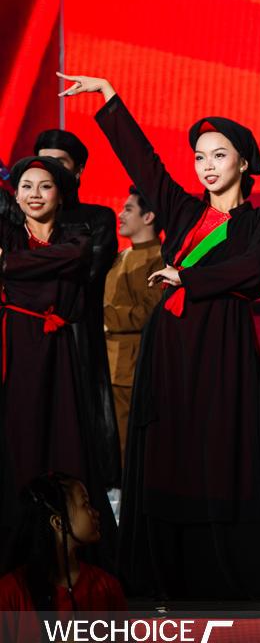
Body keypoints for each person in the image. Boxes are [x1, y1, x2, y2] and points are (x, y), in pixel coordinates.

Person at [60, 72, 260, 601]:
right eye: (200, 157)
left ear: (245, 162)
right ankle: (168, 571)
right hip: (169, 347)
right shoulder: (185, 212)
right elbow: (144, 164)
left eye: (219, 155)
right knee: (170, 450)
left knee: (220, 447)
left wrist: (188, 277)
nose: (207, 165)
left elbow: (255, 268)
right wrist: (110, 97)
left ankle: (225, 570)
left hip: (221, 344)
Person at [0, 157, 116, 558]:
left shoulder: (77, 236)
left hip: (60, 348)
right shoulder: (9, 232)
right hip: (17, 343)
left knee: (64, 437)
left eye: (45, 186)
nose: (35, 194)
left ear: (61, 195)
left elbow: (77, 257)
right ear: (16, 196)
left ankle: (72, 543)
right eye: (26, 186)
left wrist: (8, 264)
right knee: (20, 436)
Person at [33, 129, 120, 487]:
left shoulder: (97, 218)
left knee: (82, 424)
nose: (50, 170)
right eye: (43, 163)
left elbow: (86, 275)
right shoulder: (18, 221)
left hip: (78, 332)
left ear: (79, 170)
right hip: (28, 334)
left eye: (60, 163)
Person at [0, 474, 126, 643]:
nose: (96, 513)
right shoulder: (11, 591)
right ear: (58, 522)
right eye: (85, 504)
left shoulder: (107, 587)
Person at [103, 186, 164, 456]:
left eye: (128, 209)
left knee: (130, 444)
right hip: (108, 364)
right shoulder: (119, 257)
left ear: (149, 216)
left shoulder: (161, 259)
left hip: (134, 365)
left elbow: (149, 312)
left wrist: (105, 316)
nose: (120, 214)